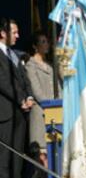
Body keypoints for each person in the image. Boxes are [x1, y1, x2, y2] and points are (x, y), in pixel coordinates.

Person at [0, 18, 34, 178]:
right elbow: (3, 82)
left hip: (20, 111)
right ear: (3, 33)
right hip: (5, 110)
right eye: (14, 32)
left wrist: (28, 96)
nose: (17, 36)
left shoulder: (15, 55)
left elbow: (24, 79)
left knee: (18, 152)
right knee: (5, 153)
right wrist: (20, 99)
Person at [25, 31, 56, 167]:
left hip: (53, 113)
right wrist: (49, 105)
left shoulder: (49, 65)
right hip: (40, 112)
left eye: (47, 41)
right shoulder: (31, 66)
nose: (46, 45)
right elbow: (36, 90)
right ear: (35, 46)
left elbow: (58, 87)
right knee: (41, 156)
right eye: (43, 42)